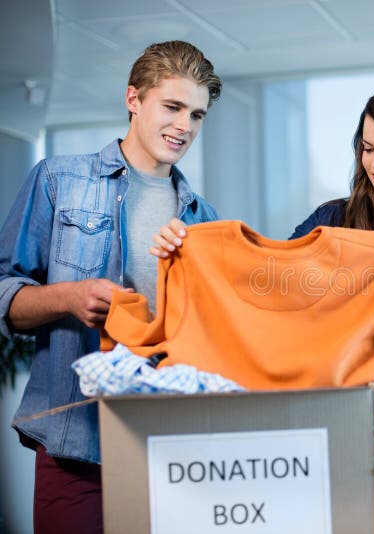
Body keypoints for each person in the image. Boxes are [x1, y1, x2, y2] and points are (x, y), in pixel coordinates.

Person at [154, 82, 374, 533]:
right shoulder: (333, 221)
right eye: (368, 148)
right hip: (334, 427)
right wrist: (190, 248)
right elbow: (265, 288)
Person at [0, 41, 221, 533]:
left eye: (197, 114)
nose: (185, 125)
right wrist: (69, 298)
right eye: (173, 106)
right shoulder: (58, 181)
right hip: (75, 444)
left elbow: (210, 336)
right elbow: (3, 292)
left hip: (168, 447)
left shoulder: (203, 219)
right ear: (133, 99)